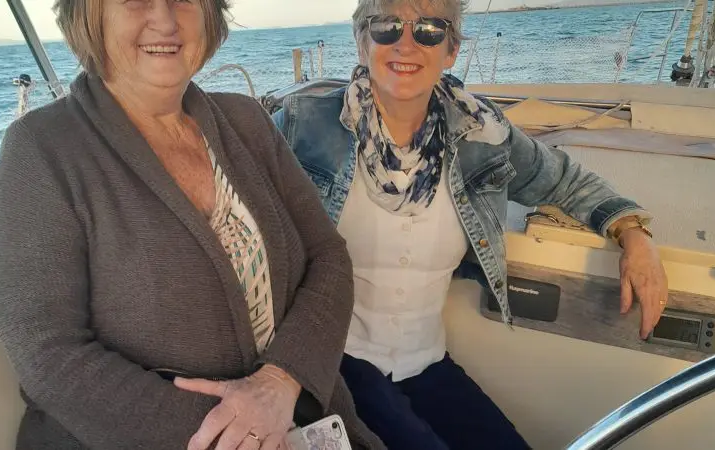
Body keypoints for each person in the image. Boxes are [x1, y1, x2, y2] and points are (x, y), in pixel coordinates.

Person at [0, 0, 385, 449]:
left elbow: (328, 257)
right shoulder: (41, 149)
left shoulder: (247, 121)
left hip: (298, 417)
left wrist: (281, 379)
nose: (166, 20)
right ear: (88, 14)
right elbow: (47, 355)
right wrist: (241, 435)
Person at [271, 0, 669, 448]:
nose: (406, 42)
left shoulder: (483, 133)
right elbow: (222, 185)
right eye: (385, 27)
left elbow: (563, 180)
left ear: (452, 48)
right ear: (362, 42)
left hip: (427, 362)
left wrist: (633, 234)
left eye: (428, 29)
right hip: (332, 364)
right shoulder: (303, 126)